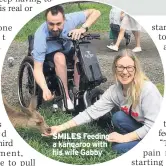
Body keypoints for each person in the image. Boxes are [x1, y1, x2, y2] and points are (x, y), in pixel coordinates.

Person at [44, 49, 162, 154]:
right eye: (120, 67)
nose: (125, 72)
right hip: (141, 125)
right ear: (115, 69)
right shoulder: (114, 91)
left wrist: (124, 138)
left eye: (129, 67)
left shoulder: (148, 90)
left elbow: (153, 126)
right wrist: (59, 128)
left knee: (118, 148)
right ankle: (137, 139)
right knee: (118, 117)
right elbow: (91, 112)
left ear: (136, 69)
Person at [32, 5, 101, 110]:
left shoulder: (71, 19)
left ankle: (77, 93)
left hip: (67, 50)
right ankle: (66, 98)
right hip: (49, 56)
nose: (55, 28)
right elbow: (37, 69)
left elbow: (96, 12)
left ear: (64, 19)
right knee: (59, 57)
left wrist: (83, 28)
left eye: (59, 24)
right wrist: (45, 89)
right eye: (51, 24)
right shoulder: (40, 35)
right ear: (46, 21)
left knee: (81, 52)